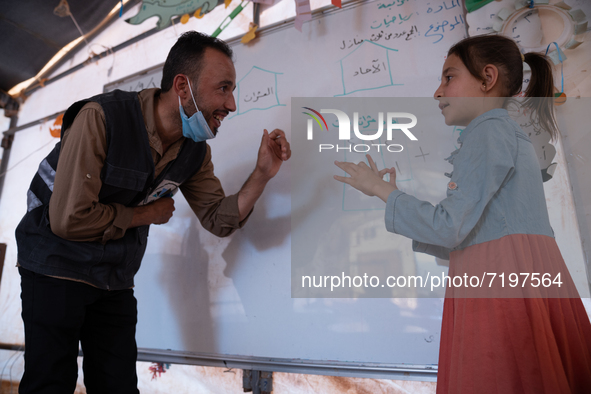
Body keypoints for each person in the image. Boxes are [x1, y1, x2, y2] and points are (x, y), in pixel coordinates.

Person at [15, 31, 290, 393]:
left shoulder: (194, 151)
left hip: (113, 278)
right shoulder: (101, 118)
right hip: (55, 264)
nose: (232, 104)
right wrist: (146, 215)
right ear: (182, 86)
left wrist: (262, 175)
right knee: (50, 383)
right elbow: (69, 219)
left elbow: (219, 220)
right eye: (223, 88)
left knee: (119, 387)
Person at [334, 35, 591, 393]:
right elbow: (471, 234)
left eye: (449, 77)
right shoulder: (505, 131)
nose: (438, 92)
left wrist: (381, 190)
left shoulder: (487, 131)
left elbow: (450, 227)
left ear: (487, 78)